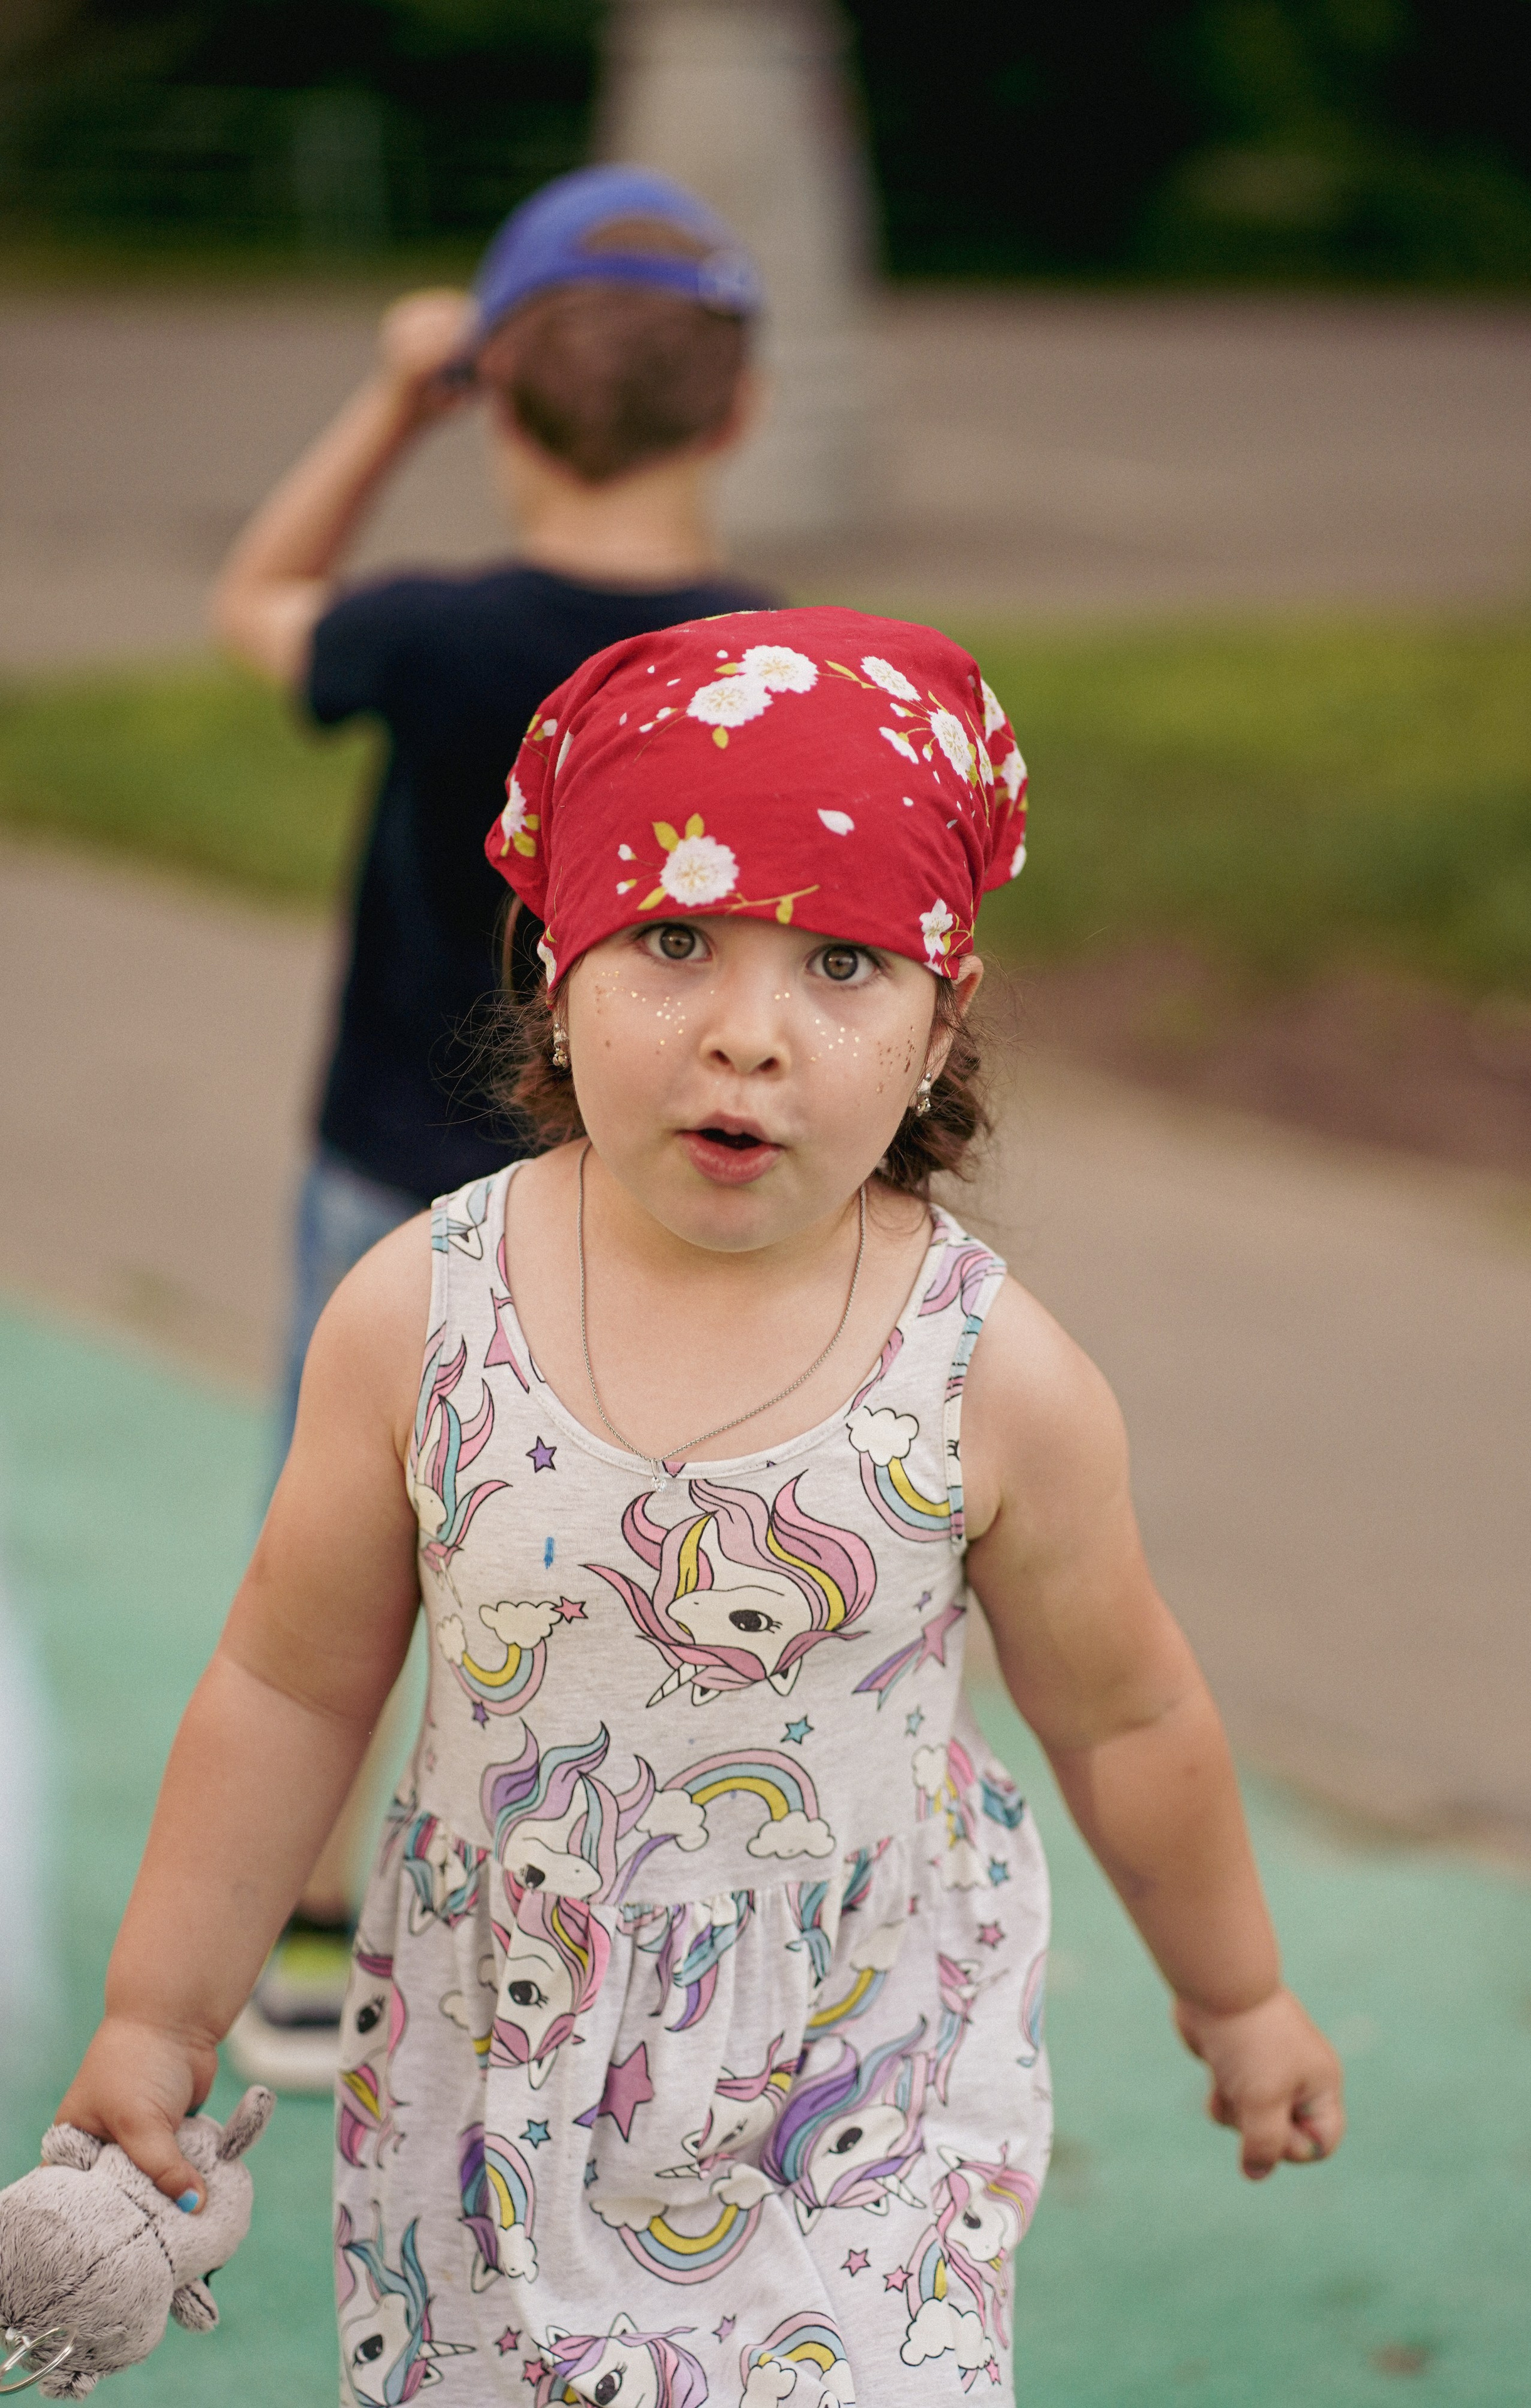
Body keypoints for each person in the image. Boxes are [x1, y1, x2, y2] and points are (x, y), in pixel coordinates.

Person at [58, 606, 1344, 2405]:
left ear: (941, 1018)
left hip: (855, 2087)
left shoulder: (990, 1375)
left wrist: (1240, 1995)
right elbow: (289, 1689)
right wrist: (156, 2015)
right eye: (674, 941)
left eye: (842, 967)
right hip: (494, 2069)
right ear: (554, 967)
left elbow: (1128, 1712)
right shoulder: (423, 1318)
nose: (749, 1036)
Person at [210, 163, 776, 2083]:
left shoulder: (432, 632)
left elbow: (256, 604)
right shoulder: (765, 659)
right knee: (650, 1544)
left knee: (340, 1554)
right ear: (743, 406)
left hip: (390, 1173)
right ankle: (627, 1947)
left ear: (499, 396)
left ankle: (303, 1954)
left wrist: (389, 397)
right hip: (652, 1197)